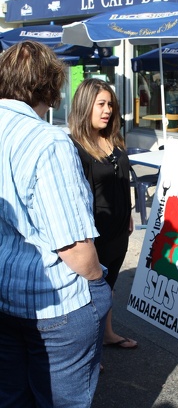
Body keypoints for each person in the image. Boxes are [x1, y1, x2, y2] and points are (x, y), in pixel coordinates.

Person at [0, 41, 112, 408]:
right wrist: (99, 284)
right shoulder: (48, 141)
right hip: (55, 306)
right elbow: (75, 248)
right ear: (51, 87)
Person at [68, 78, 137, 352]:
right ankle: (89, 349)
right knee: (90, 293)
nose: (107, 109)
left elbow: (123, 181)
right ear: (86, 106)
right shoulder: (76, 148)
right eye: (101, 104)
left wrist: (129, 212)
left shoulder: (113, 141)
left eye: (110, 104)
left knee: (109, 286)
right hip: (95, 233)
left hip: (119, 229)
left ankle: (107, 334)